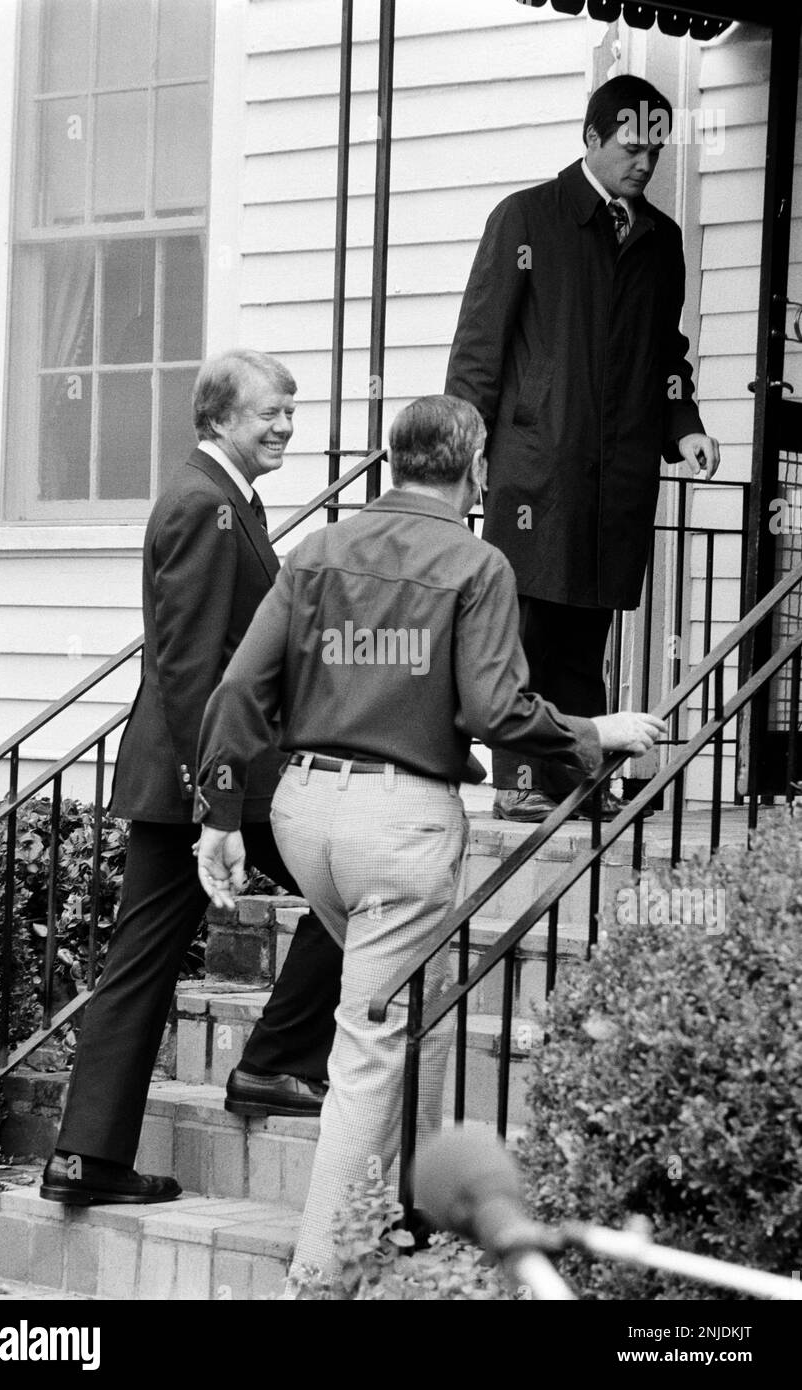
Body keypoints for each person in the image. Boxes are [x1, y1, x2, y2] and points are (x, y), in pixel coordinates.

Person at [193, 394, 664, 1278]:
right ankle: (318, 1279)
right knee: (372, 1045)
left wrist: (219, 815)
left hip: (303, 813)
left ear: (394, 459)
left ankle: (411, 1220)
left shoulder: (319, 550)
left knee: (427, 1009)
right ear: (476, 467)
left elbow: (238, 689)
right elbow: (494, 709)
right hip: (398, 827)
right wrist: (592, 733)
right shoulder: (477, 563)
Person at [41, 349, 342, 1206]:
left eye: (289, 411)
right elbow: (193, 670)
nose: (284, 426)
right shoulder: (205, 506)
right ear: (217, 418)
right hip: (210, 776)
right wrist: (217, 801)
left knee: (141, 962)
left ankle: (85, 1158)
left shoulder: (220, 499)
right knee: (351, 888)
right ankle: (275, 1061)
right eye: (268, 413)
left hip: (201, 773)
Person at [445, 74, 720, 822]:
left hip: (617, 473)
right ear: (592, 138)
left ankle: (574, 781)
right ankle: (520, 784)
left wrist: (684, 424)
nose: (645, 161)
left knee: (584, 633)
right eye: (631, 146)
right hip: (536, 471)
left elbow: (666, 352)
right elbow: (478, 350)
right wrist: (463, 458)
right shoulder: (526, 218)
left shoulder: (660, 240)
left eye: (655, 148)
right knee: (527, 632)